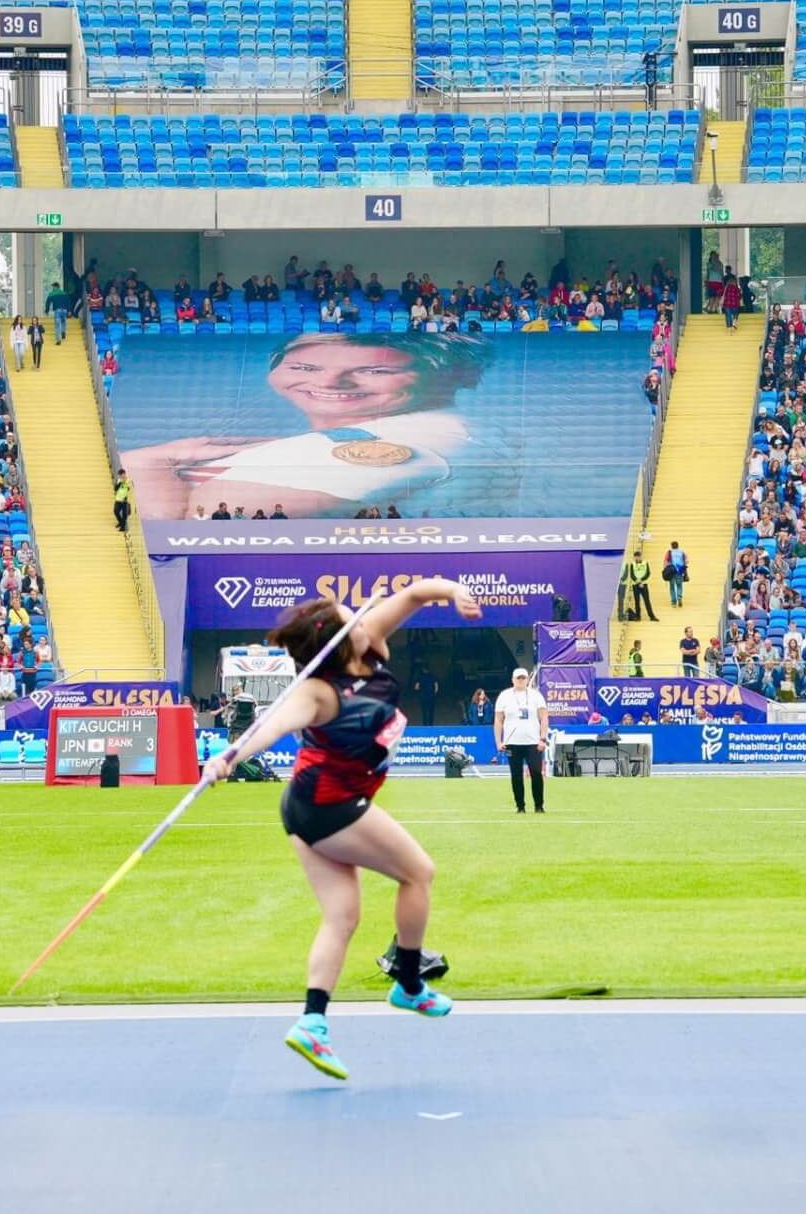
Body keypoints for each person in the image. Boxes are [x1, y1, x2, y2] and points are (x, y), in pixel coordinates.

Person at [203, 580, 482, 1080]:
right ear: (338, 641)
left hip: (310, 804)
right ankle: (410, 984)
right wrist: (228, 757)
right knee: (418, 872)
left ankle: (312, 1022)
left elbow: (418, 593)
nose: (361, 614)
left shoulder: (368, 638)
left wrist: (456, 592)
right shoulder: (315, 691)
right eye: (349, 615)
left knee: (342, 916)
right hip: (328, 805)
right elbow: (270, 726)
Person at [123, 332, 496, 520]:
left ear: (439, 376)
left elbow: (191, 521)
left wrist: (149, 466)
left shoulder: (414, 442)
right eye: (304, 368)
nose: (331, 382)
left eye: (374, 370)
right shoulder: (325, 439)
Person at [494, 667, 549, 815]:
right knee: (516, 775)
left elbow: (544, 717)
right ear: (513, 680)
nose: (521, 680)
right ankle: (520, 806)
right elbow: (499, 720)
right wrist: (498, 742)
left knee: (536, 773)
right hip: (512, 742)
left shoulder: (536, 696)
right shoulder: (504, 696)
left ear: (527, 679)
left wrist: (542, 738)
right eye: (518, 678)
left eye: (523, 677)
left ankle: (539, 805)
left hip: (533, 742)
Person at [621, 549, 657, 621]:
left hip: (643, 584)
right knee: (637, 601)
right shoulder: (632, 564)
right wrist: (637, 581)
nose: (638, 558)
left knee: (647, 601)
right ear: (635, 557)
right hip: (635, 585)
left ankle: (652, 617)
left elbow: (648, 573)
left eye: (639, 556)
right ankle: (638, 617)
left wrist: (641, 580)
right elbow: (632, 574)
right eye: (637, 557)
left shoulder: (645, 563)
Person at [664, 540, 689, 607]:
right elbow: (686, 561)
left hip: (671, 571)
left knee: (672, 587)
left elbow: (665, 561)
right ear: (678, 546)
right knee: (679, 585)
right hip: (680, 570)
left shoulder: (669, 552)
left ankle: (674, 603)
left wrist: (665, 570)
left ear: (671, 546)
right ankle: (679, 597)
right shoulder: (682, 552)